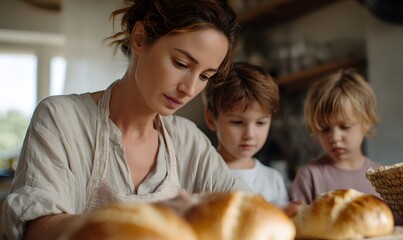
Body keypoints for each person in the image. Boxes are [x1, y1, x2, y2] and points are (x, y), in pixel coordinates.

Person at [2, 1, 249, 239]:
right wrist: (153, 217)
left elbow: (243, 211)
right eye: (180, 63)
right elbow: (36, 231)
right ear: (139, 38)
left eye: (205, 76)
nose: (190, 89)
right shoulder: (60, 118)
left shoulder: (188, 140)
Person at [203, 61, 289, 207]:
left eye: (260, 123)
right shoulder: (202, 174)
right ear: (211, 119)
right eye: (237, 122)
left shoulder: (273, 179)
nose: (250, 134)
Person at [290, 68, 381, 204]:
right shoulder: (309, 177)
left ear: (367, 122)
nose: (335, 137)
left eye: (345, 127)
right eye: (325, 129)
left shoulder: (384, 179)